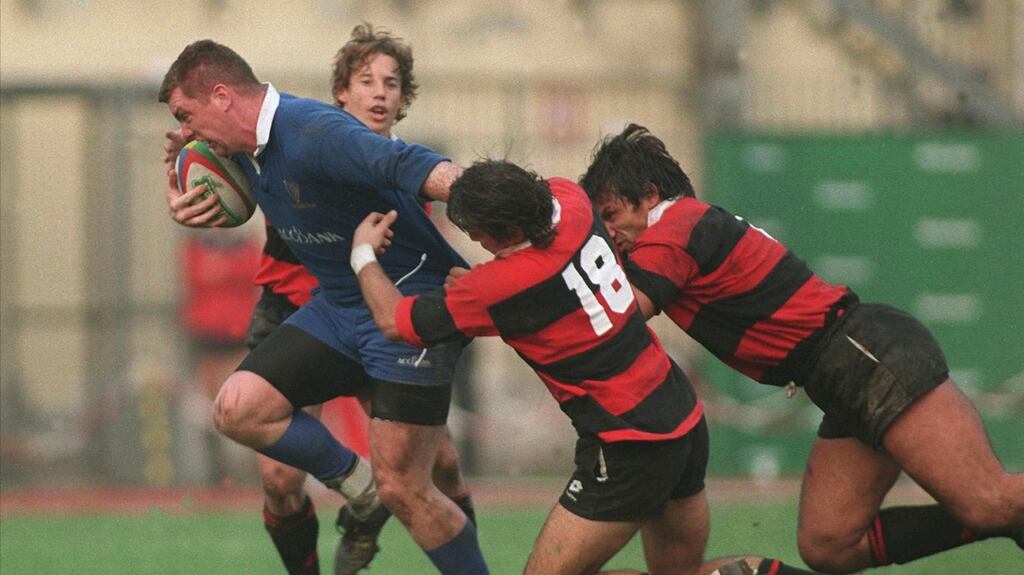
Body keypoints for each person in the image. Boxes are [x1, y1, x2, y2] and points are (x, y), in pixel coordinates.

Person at [579, 124, 1024, 573]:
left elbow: (619, 316)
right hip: (842, 370)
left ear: (650, 195)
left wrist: (547, 277)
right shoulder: (681, 228)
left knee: (989, 502)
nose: (608, 233)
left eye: (611, 215)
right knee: (830, 545)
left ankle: (1004, 516)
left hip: (866, 358)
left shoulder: (675, 227)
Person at [351, 159, 820, 575]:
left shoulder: (498, 285)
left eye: (479, 235)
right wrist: (484, 287)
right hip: (681, 416)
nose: (478, 242)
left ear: (505, 233)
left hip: (628, 443)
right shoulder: (570, 199)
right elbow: (547, 292)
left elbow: (393, 321)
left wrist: (363, 254)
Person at [158, 39, 487, 575]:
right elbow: (210, 169)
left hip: (398, 310)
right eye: (366, 82)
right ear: (341, 91)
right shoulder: (251, 141)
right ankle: (361, 490)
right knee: (247, 424)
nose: (378, 95)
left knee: (416, 482)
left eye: (390, 84)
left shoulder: (319, 134)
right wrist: (184, 174)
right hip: (323, 306)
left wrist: (516, 213)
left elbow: (415, 168)